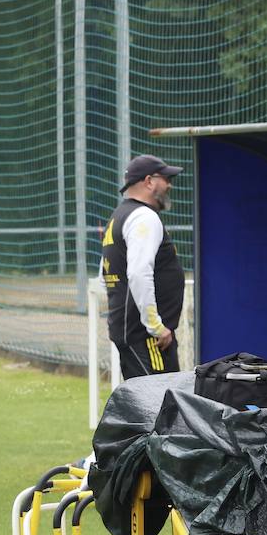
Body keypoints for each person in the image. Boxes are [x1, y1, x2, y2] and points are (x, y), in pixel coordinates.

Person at [102, 154, 185, 377]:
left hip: (135, 332)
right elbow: (139, 274)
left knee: (149, 405)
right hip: (149, 337)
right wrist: (156, 327)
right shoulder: (143, 217)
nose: (169, 185)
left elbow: (105, 274)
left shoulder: (120, 216)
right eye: (165, 178)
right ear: (148, 181)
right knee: (159, 405)